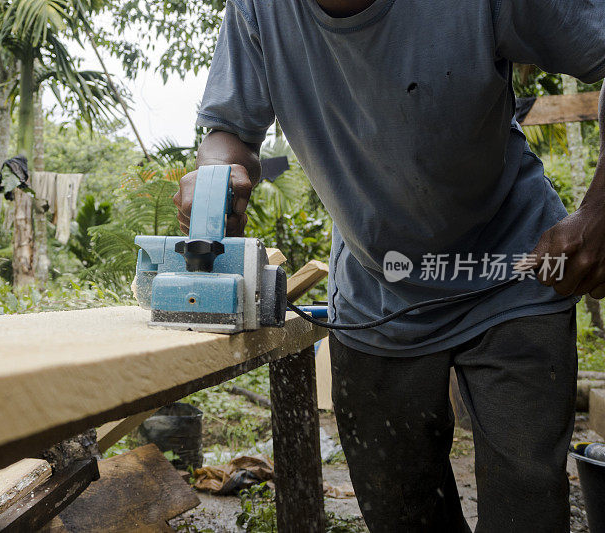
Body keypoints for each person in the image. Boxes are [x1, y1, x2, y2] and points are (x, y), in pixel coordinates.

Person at [173, 1, 605, 531]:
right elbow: (229, 130)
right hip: (376, 296)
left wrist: (601, 212)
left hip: (513, 271)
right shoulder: (257, 11)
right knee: (401, 513)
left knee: (526, 505)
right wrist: (217, 176)